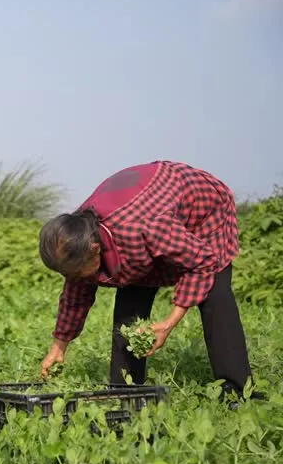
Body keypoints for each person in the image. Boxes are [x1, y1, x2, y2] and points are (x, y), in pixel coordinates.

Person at [37, 160, 263, 402]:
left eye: (77, 273)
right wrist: (58, 347)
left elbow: (202, 262)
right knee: (130, 308)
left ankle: (238, 392)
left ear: (94, 248)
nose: (77, 280)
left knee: (215, 296)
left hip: (203, 210)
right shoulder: (76, 234)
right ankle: (126, 392)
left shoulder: (144, 226)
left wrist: (168, 323)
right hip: (150, 213)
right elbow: (76, 292)